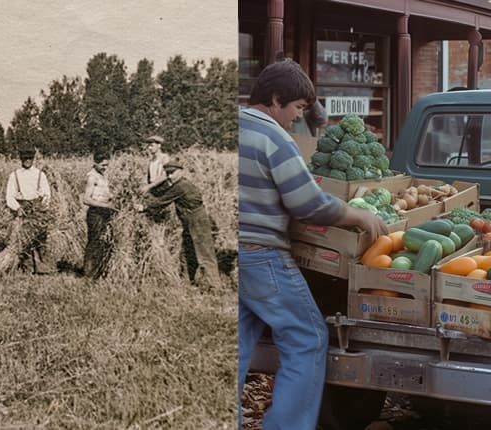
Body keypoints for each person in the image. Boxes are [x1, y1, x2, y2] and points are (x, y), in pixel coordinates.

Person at [238, 60, 388, 430]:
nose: (297, 119)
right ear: (275, 100)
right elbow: (307, 203)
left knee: (236, 344)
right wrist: (359, 217)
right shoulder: (274, 137)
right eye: (298, 109)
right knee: (307, 336)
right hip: (261, 256)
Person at [139, 158, 220, 288]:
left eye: (172, 173)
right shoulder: (182, 184)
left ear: (180, 172)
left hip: (197, 220)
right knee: (187, 251)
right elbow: (164, 194)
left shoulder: (181, 186)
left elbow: (162, 200)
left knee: (204, 252)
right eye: (168, 173)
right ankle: (188, 281)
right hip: (190, 220)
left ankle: (215, 286)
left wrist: (143, 207)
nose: (170, 176)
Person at [3, 148, 54, 274]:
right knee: (23, 240)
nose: (27, 161)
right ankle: (28, 267)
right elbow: (9, 195)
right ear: (20, 159)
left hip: (38, 209)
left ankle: (44, 267)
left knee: (41, 239)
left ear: (33, 159)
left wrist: (42, 207)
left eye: (29, 158)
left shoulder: (39, 174)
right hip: (22, 208)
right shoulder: (14, 175)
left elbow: (47, 193)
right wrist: (17, 208)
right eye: (24, 158)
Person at [81, 152, 116, 279]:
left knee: (103, 242)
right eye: (102, 165)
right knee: (94, 242)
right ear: (95, 163)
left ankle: (98, 271)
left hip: (104, 212)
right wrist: (106, 205)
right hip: (95, 213)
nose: (105, 167)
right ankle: (89, 274)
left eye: (107, 165)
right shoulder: (92, 177)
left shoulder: (102, 176)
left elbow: (104, 194)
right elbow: (86, 199)